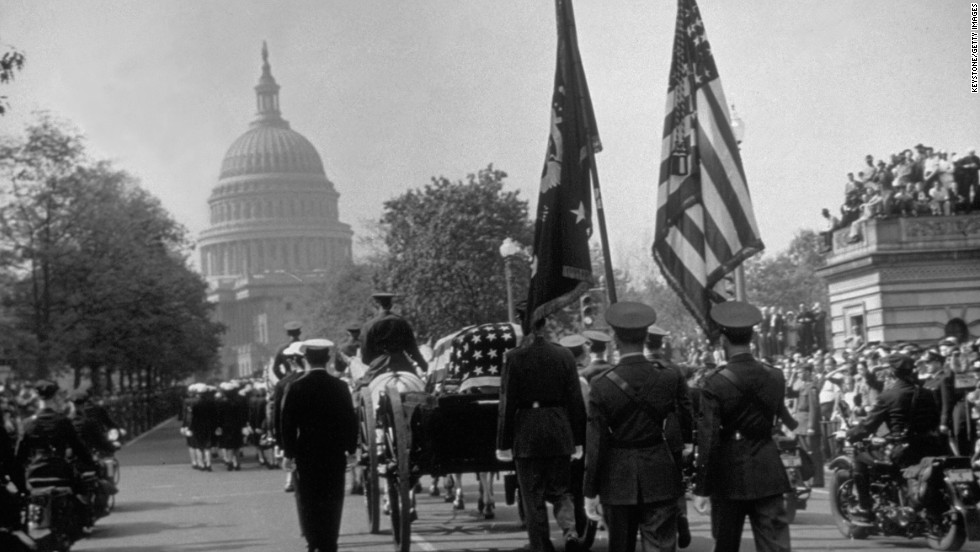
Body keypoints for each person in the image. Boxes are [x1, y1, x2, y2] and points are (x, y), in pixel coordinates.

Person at [693, 301, 792, 552]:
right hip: (768, 468)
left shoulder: (714, 383)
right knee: (775, 547)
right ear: (754, 337)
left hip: (728, 474)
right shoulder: (776, 375)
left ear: (723, 340)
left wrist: (702, 487)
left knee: (725, 545)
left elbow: (709, 438)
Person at [497, 314, 586, 552]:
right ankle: (570, 531)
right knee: (560, 490)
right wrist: (578, 440)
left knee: (533, 496)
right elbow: (575, 401)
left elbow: (508, 404)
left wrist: (503, 443)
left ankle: (541, 546)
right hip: (558, 428)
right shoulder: (564, 355)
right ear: (544, 324)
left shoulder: (513, 358)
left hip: (527, 431)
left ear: (521, 326)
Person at [845, 353, 948, 525]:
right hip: (930, 446)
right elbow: (935, 420)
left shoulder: (888, 396)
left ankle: (865, 509)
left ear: (892, 372)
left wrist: (850, 434)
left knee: (858, 455)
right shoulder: (926, 393)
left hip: (903, 450)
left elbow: (867, 426)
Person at [280, 339, 358, 552]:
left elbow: (287, 423)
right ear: (327, 359)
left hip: (306, 451)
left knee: (309, 498)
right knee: (333, 499)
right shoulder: (341, 387)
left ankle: (313, 541)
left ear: (306, 359)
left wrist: (288, 453)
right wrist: (351, 449)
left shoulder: (295, 387)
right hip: (334, 452)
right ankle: (330, 542)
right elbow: (350, 421)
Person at [637, 321, 694, 549]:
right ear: (661, 345)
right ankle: (681, 516)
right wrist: (688, 439)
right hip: (672, 435)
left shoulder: (638, 370)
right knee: (676, 481)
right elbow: (686, 407)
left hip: (645, 435)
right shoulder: (675, 370)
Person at [16, 381, 95, 492]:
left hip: (35, 475)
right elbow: (78, 448)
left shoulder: (28, 423)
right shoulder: (63, 421)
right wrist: (91, 464)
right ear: (55, 398)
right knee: (83, 496)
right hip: (61, 473)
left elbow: (20, 457)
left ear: (38, 399)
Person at [359, 292, 428, 385]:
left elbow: (365, 355)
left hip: (379, 364)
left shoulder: (369, 326)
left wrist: (374, 362)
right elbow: (413, 350)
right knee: (422, 386)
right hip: (402, 363)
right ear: (391, 304)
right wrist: (424, 366)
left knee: (359, 389)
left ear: (376, 305)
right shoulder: (402, 322)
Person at [270, 341, 306, 491]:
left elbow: (278, 416)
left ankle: (290, 478)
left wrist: (280, 443)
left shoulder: (283, 384)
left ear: (291, 361)